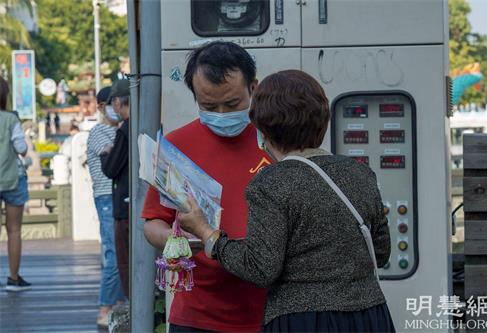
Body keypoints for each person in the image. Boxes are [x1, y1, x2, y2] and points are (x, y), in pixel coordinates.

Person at [178, 70, 395, 332]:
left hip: (305, 321)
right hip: (369, 317)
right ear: (323, 120)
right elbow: (381, 253)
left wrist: (206, 233)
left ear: (264, 130)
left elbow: (260, 268)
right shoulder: (360, 173)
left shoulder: (271, 183)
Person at [141, 41, 270, 332]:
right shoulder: (176, 147)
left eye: (233, 104)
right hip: (197, 316)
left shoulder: (274, 142)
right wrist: (178, 241)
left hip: (269, 312)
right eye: (209, 106)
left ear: (254, 88)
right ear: (195, 96)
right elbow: (152, 223)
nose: (222, 115)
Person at [87, 86, 125, 327]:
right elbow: (111, 155)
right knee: (113, 254)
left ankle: (119, 304)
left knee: (118, 251)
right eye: (112, 103)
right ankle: (105, 307)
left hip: (116, 196)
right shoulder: (99, 131)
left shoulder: (119, 130)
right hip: (105, 196)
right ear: (101, 106)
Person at [0, 76, 31, 291]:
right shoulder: (11, 120)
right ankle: (13, 278)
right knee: (14, 231)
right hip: (12, 180)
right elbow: (22, 149)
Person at [100, 79, 130, 299]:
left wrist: (105, 153)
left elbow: (111, 169)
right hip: (136, 205)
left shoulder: (125, 129)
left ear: (119, 102)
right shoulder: (142, 123)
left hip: (125, 208)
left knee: (125, 264)